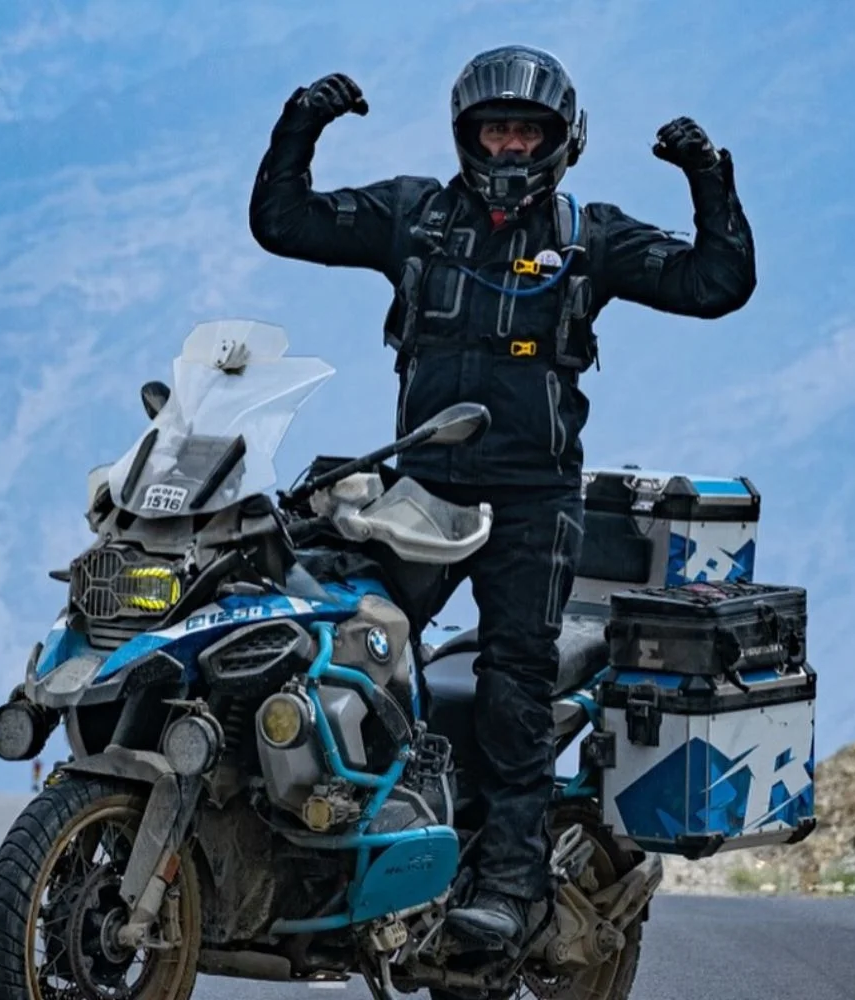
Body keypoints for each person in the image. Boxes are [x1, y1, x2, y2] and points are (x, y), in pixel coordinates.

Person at [249, 44, 756, 951]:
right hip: (420, 493)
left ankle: (512, 888)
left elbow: (716, 284)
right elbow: (283, 221)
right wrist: (302, 123)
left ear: (561, 140)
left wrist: (709, 181)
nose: (511, 145)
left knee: (514, 688)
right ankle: (359, 838)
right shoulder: (413, 217)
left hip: (532, 503)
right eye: (495, 130)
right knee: (344, 648)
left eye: (527, 130)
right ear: (466, 135)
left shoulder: (590, 236)